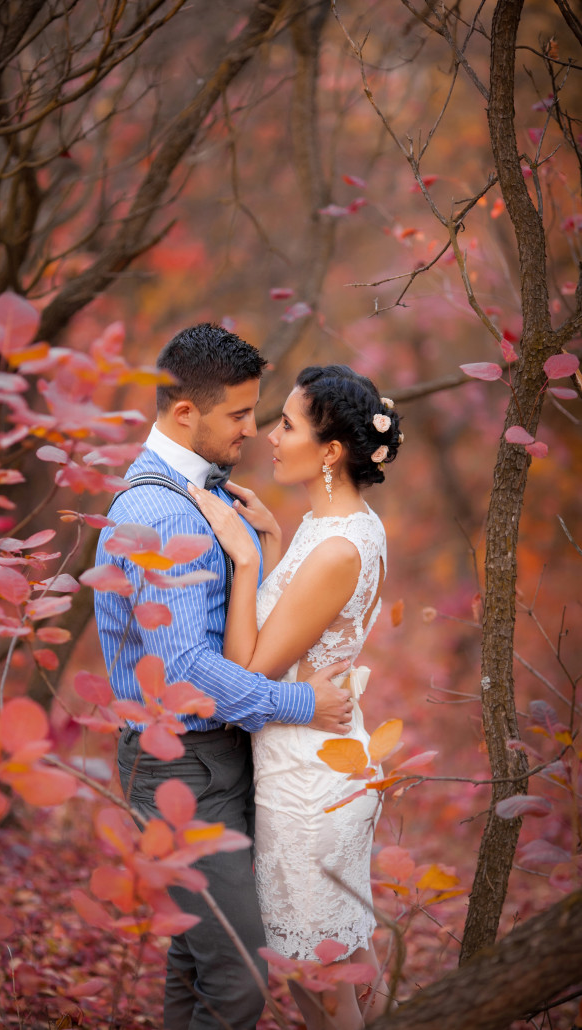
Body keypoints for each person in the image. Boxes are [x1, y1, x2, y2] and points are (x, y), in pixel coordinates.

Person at [94, 324, 354, 1030]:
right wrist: (300, 702)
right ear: (186, 413)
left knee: (197, 964)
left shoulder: (197, 495)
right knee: (239, 977)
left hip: (217, 757)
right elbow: (185, 669)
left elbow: (215, 628)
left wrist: (260, 551)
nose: (252, 429)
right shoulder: (155, 509)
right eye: (238, 414)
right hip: (181, 768)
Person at [187, 364, 402, 1030]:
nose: (269, 437)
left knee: (319, 979)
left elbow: (249, 668)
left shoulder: (339, 546)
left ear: (331, 451)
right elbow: (302, 627)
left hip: (309, 779)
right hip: (304, 758)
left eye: (286, 424)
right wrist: (276, 539)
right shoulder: (330, 525)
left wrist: (245, 559)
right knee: (319, 972)